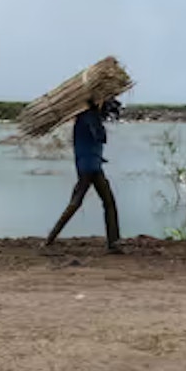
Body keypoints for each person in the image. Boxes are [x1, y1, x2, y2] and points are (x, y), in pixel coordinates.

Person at [43, 97, 124, 254]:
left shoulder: (84, 117)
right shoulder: (89, 117)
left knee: (89, 202)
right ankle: (50, 238)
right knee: (92, 203)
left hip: (89, 165)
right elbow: (101, 137)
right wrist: (102, 122)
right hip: (90, 166)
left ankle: (113, 242)